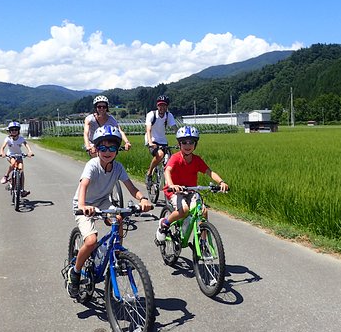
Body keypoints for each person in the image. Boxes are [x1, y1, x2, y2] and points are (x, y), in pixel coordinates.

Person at [67, 125, 153, 297]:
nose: (107, 151)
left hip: (103, 201)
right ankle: (75, 272)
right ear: (97, 149)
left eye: (112, 147)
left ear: (117, 150)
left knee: (118, 219)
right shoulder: (92, 165)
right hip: (84, 204)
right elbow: (83, 185)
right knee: (91, 241)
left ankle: (117, 252)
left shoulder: (118, 167)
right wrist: (83, 206)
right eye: (103, 147)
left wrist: (142, 199)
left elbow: (131, 187)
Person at [155, 125, 228, 243]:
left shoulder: (197, 160)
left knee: (203, 211)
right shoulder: (175, 158)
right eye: (184, 142)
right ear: (179, 144)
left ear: (195, 144)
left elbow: (209, 172)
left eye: (191, 142)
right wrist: (172, 185)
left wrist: (221, 182)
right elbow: (167, 170)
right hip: (175, 191)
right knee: (184, 210)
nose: (188, 146)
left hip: (191, 190)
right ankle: (164, 224)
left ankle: (203, 242)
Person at [144, 95, 177, 188]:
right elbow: (148, 129)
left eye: (164, 105)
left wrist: (181, 141)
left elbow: (175, 128)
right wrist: (150, 143)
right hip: (152, 139)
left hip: (163, 141)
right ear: (157, 106)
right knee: (160, 155)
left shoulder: (168, 115)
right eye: (160, 105)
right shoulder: (151, 114)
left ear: (167, 107)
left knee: (171, 160)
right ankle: (149, 173)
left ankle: (168, 180)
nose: (162, 107)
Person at [0, 121, 34, 197]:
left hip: (19, 155)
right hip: (10, 155)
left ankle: (22, 190)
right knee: (14, 163)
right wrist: (2, 153)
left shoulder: (21, 138)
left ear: (18, 131)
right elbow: (2, 147)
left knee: (21, 170)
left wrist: (30, 151)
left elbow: (26, 145)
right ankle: (6, 176)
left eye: (16, 129)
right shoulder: (8, 139)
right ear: (10, 131)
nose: (14, 131)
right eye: (12, 130)